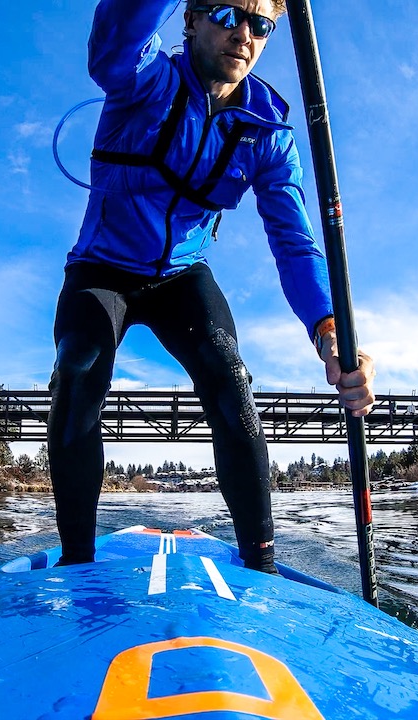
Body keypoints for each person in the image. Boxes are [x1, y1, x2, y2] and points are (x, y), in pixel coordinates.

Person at [48, 0, 375, 572]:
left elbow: (295, 243)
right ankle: (77, 562)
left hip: (182, 275)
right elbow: (114, 43)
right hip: (102, 267)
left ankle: (261, 562)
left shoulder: (268, 135)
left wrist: (330, 333)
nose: (243, 34)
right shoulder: (143, 81)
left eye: (261, 24)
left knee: (229, 376)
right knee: (78, 366)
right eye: (226, 14)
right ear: (190, 20)